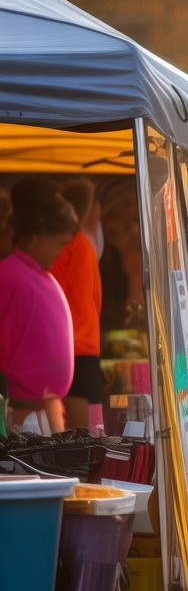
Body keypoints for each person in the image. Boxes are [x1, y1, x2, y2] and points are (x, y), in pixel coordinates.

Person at [0, 179, 79, 433]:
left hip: (48, 410)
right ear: (33, 237)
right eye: (59, 244)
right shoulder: (8, 276)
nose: (62, 253)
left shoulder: (39, 276)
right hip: (24, 415)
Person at [50, 179, 104, 431]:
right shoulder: (80, 244)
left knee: (76, 434)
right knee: (83, 436)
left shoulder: (70, 245)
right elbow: (94, 298)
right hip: (81, 346)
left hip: (69, 343)